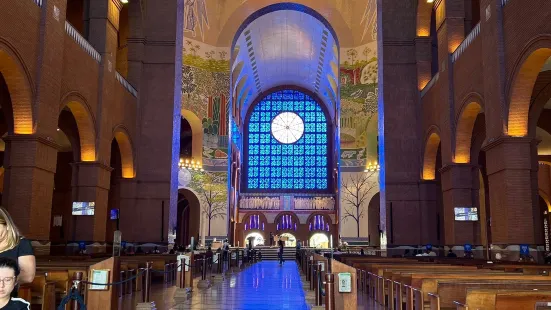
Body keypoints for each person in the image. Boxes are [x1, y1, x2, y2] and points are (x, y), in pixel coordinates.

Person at [0, 208, 35, 296]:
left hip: (7, 295)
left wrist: (4, 279)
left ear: (7, 225)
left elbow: (28, 276)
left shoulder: (22, 244)